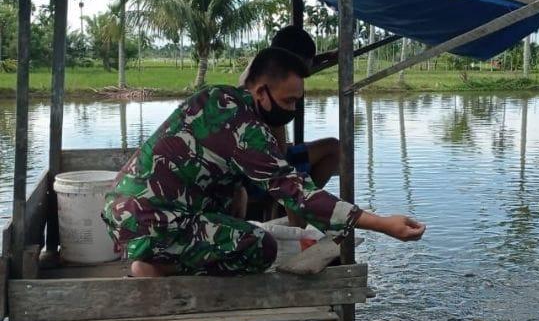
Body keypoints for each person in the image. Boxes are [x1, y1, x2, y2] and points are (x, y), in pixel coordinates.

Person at [102, 46, 425, 277]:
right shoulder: (245, 129)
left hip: (124, 210)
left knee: (235, 198)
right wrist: (383, 224)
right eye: (288, 101)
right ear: (260, 92)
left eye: (298, 101)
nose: (293, 109)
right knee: (259, 246)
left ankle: (159, 255)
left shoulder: (218, 97)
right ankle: (156, 266)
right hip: (153, 223)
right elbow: (301, 195)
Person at [232, 25, 338, 223]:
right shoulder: (267, 95)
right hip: (255, 174)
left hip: (255, 160)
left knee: (329, 148)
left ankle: (296, 206)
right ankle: (299, 210)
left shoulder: (263, 67)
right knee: (333, 149)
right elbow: (279, 156)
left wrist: (325, 57)